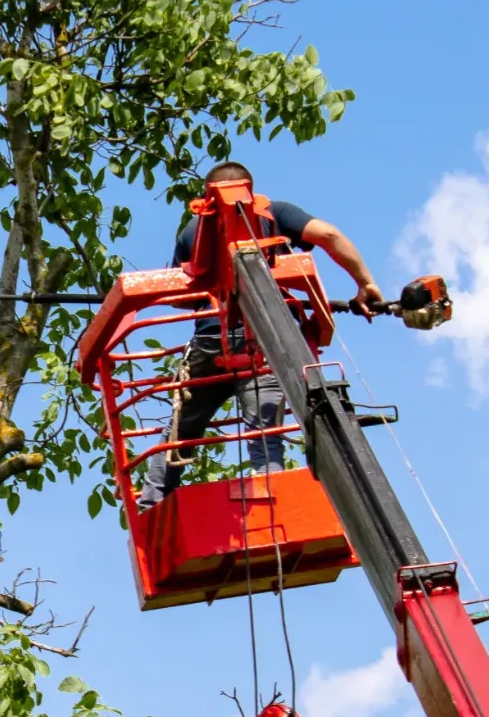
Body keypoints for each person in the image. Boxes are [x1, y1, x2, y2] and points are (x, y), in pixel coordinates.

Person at [136, 161, 384, 508]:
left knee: (181, 431)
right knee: (265, 435)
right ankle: (271, 507)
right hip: (265, 341)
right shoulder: (276, 212)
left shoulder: (192, 231)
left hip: (211, 343)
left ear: (205, 196)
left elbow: (181, 295)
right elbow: (329, 236)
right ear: (250, 189)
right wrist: (365, 283)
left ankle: (151, 505)